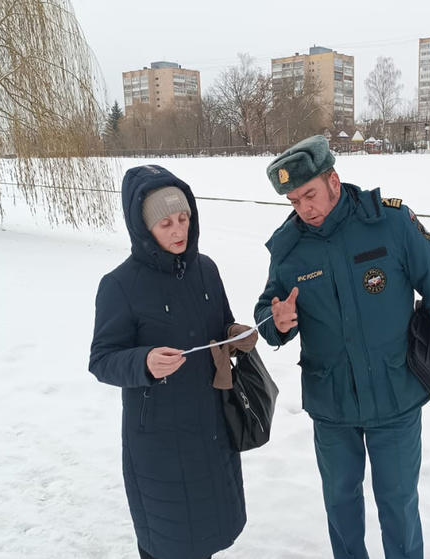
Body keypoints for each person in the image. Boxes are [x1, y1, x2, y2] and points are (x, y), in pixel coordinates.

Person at [253, 135, 430, 559]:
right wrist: (276, 320)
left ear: (333, 181)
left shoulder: (390, 224)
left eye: (310, 194)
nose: (304, 208)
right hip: (331, 402)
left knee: (398, 505)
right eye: (294, 200)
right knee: (340, 504)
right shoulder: (289, 249)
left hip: (394, 393)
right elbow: (267, 308)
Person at [89, 164, 257, 559]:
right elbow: (102, 359)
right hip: (159, 440)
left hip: (212, 427)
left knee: (207, 533)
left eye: (184, 218)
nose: (179, 230)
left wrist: (237, 336)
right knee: (168, 542)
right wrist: (144, 361)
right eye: (166, 223)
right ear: (143, 227)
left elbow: (219, 326)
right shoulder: (119, 285)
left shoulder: (206, 270)